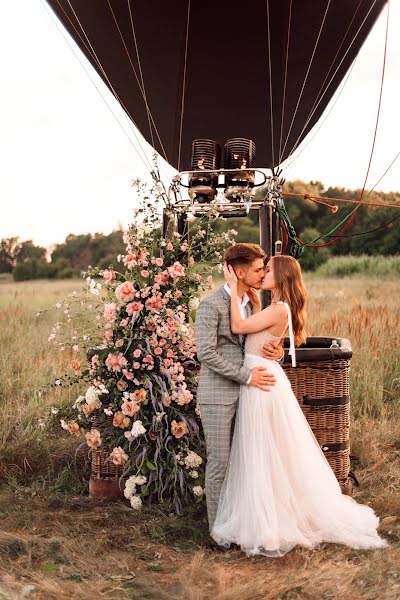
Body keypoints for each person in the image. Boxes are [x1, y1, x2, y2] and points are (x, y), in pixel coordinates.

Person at [210, 254, 387, 556]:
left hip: (261, 379)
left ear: (281, 276)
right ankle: (266, 511)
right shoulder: (274, 307)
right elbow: (256, 333)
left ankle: (269, 517)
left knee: (264, 449)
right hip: (259, 373)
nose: (263, 273)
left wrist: (232, 287)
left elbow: (239, 328)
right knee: (265, 449)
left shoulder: (279, 309)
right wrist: (252, 302)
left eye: (268, 270)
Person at [195, 243, 284, 550]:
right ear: (240, 271)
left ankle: (241, 525)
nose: (263, 274)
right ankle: (218, 534)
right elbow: (205, 352)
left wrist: (277, 351)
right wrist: (246, 376)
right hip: (219, 395)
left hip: (250, 396)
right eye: (259, 269)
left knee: (245, 463)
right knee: (220, 463)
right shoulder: (211, 304)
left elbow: (256, 346)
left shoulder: (252, 303)